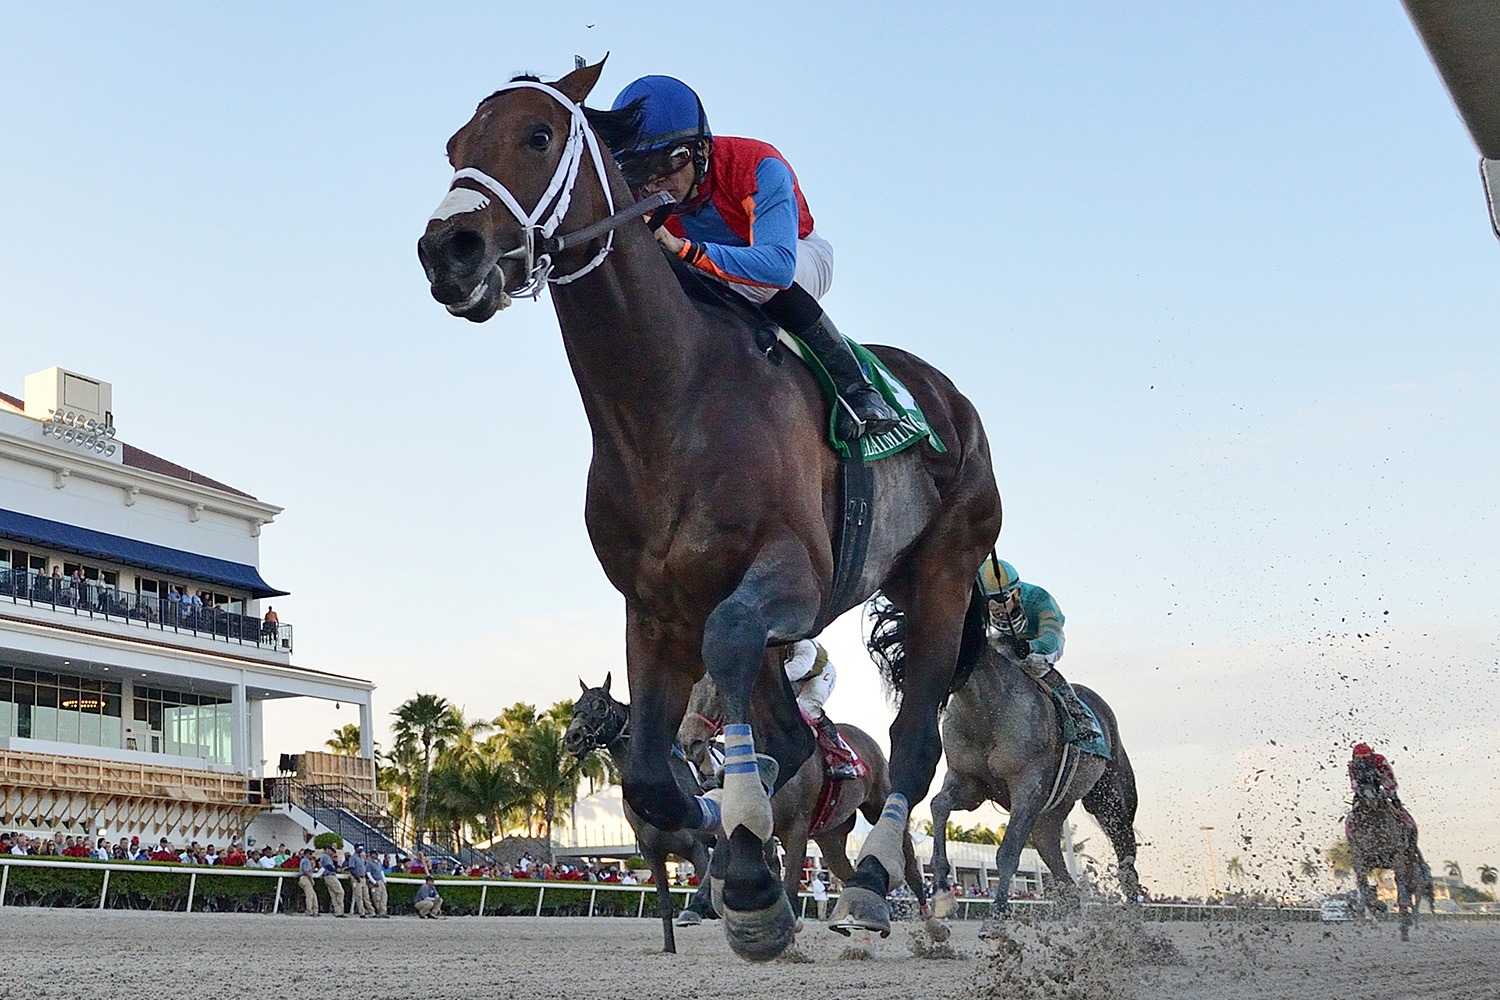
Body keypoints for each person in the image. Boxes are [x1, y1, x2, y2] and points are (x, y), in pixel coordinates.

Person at [608, 75, 901, 441]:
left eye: (666, 162)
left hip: (798, 255)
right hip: (714, 271)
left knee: (757, 284)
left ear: (700, 150)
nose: (653, 183)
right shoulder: (644, 192)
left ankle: (857, 389)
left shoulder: (759, 165)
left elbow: (777, 267)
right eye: (638, 168)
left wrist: (685, 249)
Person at [976, 557, 1102, 741]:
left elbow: (1051, 638)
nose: (993, 607)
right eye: (987, 600)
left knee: (1034, 662)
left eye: (1001, 598)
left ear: (1017, 592)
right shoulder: (979, 605)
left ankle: (1080, 716)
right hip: (1007, 638)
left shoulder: (1039, 598)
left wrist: (1031, 646)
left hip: (1042, 639)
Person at [780, 639, 860, 780]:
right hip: (799, 677)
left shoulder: (804, 644)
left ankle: (843, 761)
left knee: (807, 707)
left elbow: (800, 667)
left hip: (820, 674)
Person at [1347, 743, 1417, 834]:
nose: (1363, 760)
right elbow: (1354, 784)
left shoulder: (1380, 761)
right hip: (1363, 792)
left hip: (1381, 789)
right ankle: (1351, 837)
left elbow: (1390, 779)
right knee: (1352, 817)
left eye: (1366, 757)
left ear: (1371, 755)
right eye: (1360, 757)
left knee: (1398, 810)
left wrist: (1385, 792)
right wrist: (1362, 792)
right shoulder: (1352, 766)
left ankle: (1409, 830)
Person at [345, 844, 374, 917]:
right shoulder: (353, 858)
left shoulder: (361, 858)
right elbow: (351, 868)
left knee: (366, 896)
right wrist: (356, 877)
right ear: (355, 848)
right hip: (357, 879)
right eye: (359, 847)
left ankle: (371, 911)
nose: (361, 849)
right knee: (359, 896)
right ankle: (362, 912)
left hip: (363, 878)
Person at [320, 845, 348, 916]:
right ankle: (340, 910)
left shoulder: (328, 857)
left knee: (333, 894)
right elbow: (328, 866)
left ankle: (338, 911)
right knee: (340, 892)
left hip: (328, 876)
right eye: (331, 850)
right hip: (330, 875)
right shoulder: (325, 856)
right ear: (327, 849)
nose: (332, 853)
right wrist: (336, 870)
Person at [297, 848, 320, 914]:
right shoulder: (306, 860)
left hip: (305, 878)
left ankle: (314, 910)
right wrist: (311, 880)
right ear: (306, 854)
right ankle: (309, 910)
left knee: (313, 894)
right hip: (305, 878)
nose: (311, 855)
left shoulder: (305, 860)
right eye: (310, 854)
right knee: (310, 895)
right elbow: (306, 871)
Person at [367, 854, 390, 918]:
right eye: (374, 854)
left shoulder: (379, 862)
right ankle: (378, 911)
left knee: (384, 897)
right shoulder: (369, 863)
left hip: (381, 881)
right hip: (375, 882)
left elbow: (381, 872)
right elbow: (368, 873)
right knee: (377, 898)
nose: (376, 855)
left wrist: (384, 881)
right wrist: (374, 882)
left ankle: (383, 912)